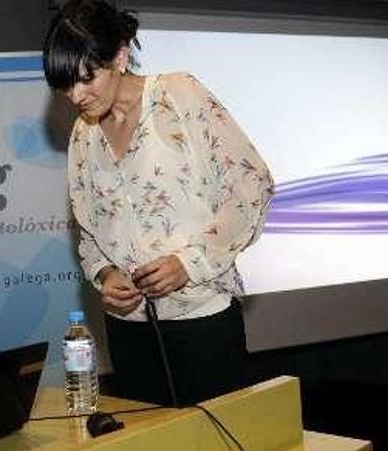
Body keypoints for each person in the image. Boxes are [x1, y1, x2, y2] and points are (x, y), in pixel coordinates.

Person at [43, 0, 274, 406]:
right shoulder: (83, 134)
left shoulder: (178, 94)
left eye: (85, 78)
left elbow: (251, 185)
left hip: (201, 319)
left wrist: (190, 263)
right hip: (127, 328)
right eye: (64, 85)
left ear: (119, 54)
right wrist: (104, 274)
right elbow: (89, 226)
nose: (75, 95)